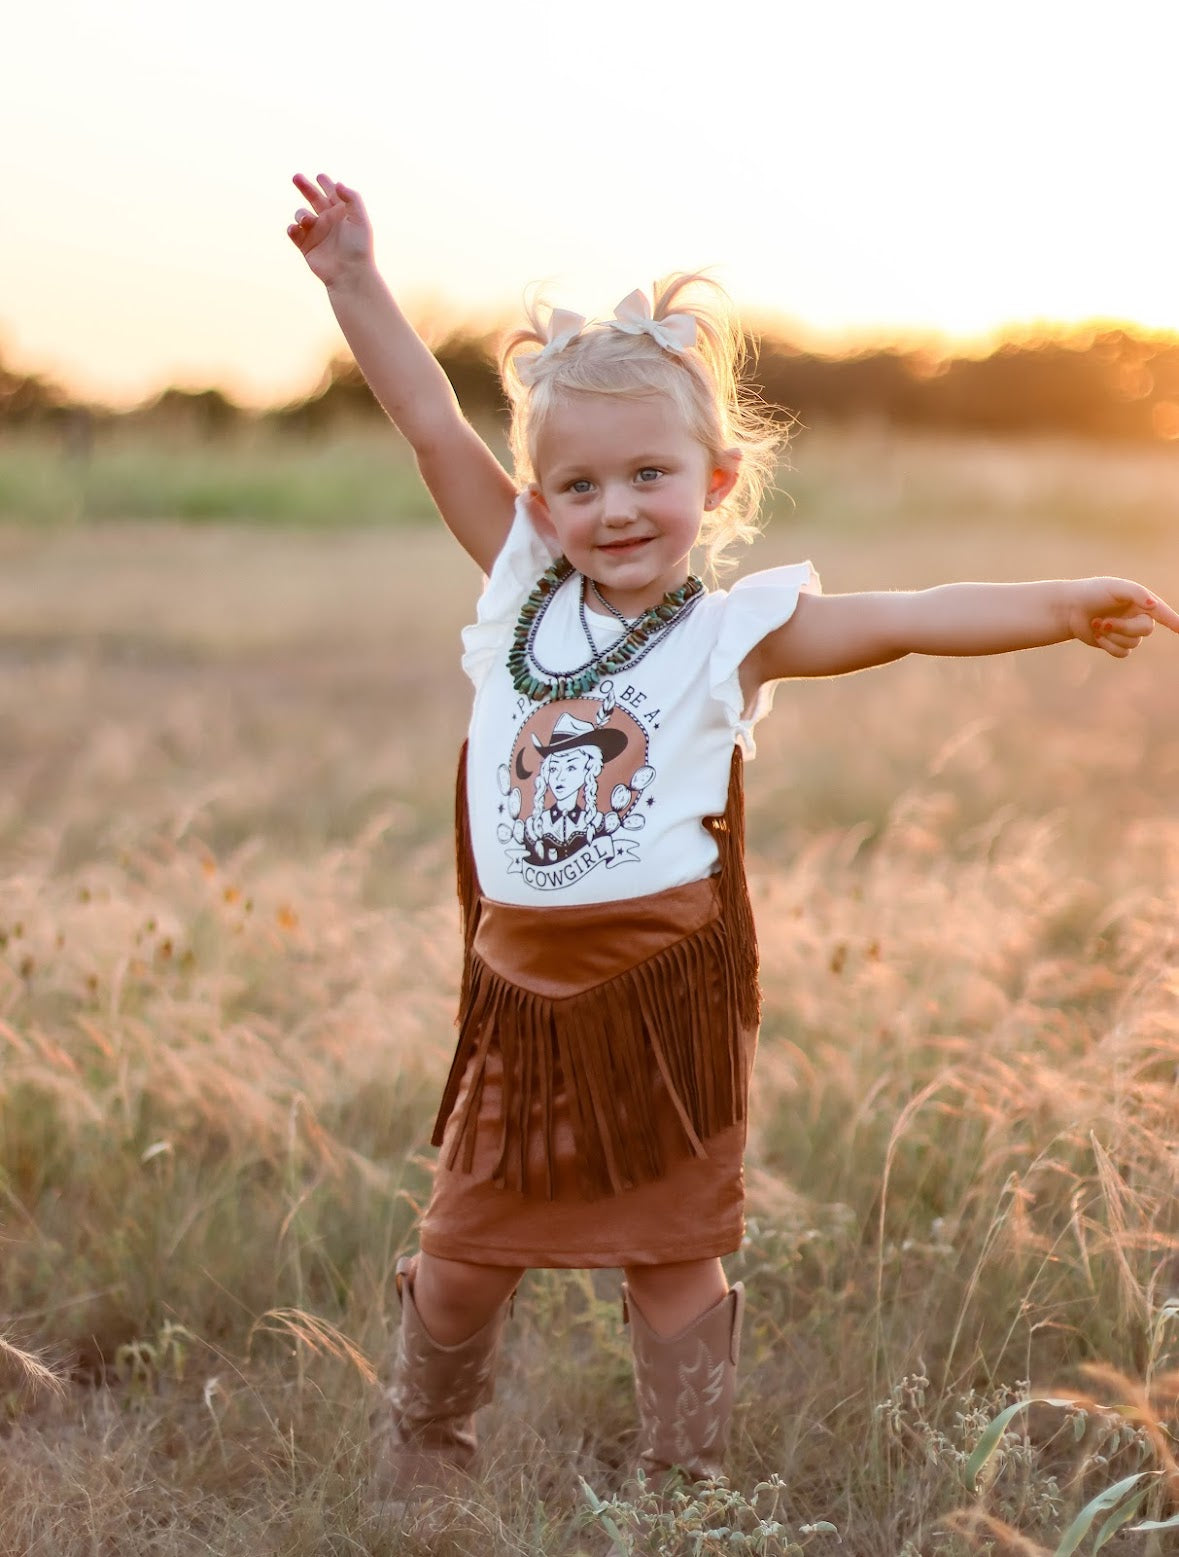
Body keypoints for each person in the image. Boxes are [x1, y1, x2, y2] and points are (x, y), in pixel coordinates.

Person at [286, 172, 1179, 1495]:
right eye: (579, 484)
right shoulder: (523, 586)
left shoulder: (729, 634)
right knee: (468, 1253)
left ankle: (681, 1471)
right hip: (520, 999)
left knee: (672, 1255)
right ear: (539, 507)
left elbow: (907, 614)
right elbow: (428, 425)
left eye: (650, 475)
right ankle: (430, 1433)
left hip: (664, 1001)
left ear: (716, 479)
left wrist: (1058, 599)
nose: (616, 509)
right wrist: (354, 276)